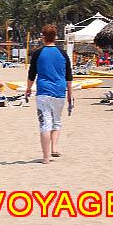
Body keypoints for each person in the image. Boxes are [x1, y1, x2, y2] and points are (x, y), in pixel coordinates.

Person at [26, 25, 73, 164]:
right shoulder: (63, 54)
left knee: (45, 124)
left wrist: (28, 89)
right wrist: (70, 94)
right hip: (60, 92)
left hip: (43, 93)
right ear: (55, 37)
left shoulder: (38, 53)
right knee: (56, 121)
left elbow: (31, 74)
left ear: (43, 37)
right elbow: (69, 75)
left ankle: (46, 157)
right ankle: (54, 148)